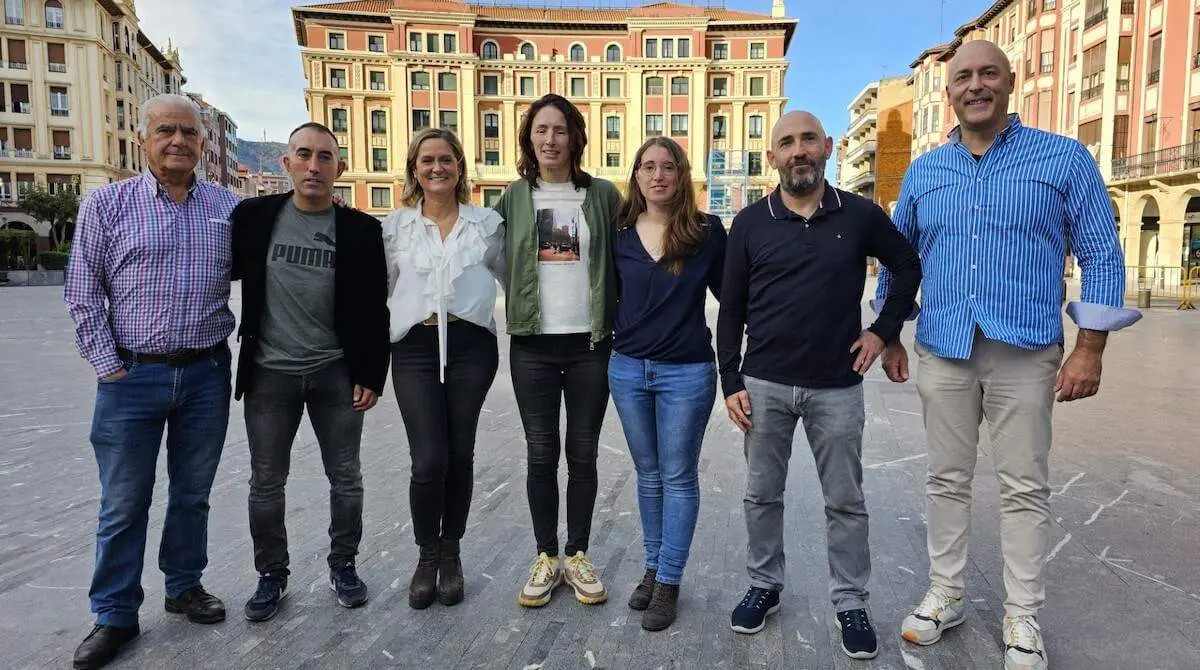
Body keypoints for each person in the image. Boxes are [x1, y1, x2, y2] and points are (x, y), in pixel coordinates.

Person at [877, 40, 1139, 670]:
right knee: (946, 479)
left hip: (1025, 352)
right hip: (943, 346)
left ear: (1010, 81)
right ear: (949, 92)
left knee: (1024, 485)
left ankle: (1022, 614)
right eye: (962, 76)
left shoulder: (1063, 158)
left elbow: (1101, 252)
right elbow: (899, 256)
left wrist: (1090, 348)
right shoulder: (926, 172)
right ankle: (947, 592)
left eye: (987, 73)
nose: (975, 85)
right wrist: (889, 331)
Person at [716, 111, 922, 658]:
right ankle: (764, 586)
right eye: (786, 142)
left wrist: (883, 331)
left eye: (808, 139)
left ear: (828, 147)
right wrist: (729, 378)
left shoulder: (859, 215)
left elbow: (907, 265)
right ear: (772, 158)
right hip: (763, 384)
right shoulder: (749, 223)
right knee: (761, 494)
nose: (798, 150)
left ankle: (851, 600)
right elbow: (731, 306)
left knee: (846, 500)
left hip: (837, 385)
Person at [64, 93, 239, 670]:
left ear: (203, 143)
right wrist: (108, 364)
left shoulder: (224, 206)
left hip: (207, 370)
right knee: (123, 502)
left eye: (190, 132)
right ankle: (114, 613)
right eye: (167, 130)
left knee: (192, 493)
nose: (180, 141)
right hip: (132, 376)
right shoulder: (108, 204)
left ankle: (184, 585)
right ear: (143, 138)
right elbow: (82, 290)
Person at [230, 122, 389, 623]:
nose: (314, 166)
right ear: (287, 164)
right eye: (304, 155)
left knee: (346, 477)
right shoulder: (253, 217)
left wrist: (371, 373)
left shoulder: (362, 230)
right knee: (266, 482)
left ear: (339, 169)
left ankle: (343, 564)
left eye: (325, 157)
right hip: (269, 373)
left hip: (335, 372)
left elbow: (373, 310)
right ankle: (271, 574)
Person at [493, 93, 622, 608]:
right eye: (541, 130)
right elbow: (494, 259)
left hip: (591, 345)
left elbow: (627, 255)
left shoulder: (604, 196)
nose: (550, 140)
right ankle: (546, 555)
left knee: (584, 454)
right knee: (541, 452)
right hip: (532, 347)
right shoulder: (512, 197)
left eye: (560, 130)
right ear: (529, 138)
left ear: (575, 138)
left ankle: (578, 553)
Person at [381, 128, 504, 609]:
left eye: (446, 160)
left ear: (460, 167)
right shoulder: (395, 228)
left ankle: (451, 554)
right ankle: (426, 555)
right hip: (414, 346)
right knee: (428, 458)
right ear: (415, 168)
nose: (437, 168)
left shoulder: (487, 224)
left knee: (460, 451)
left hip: (472, 346)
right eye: (427, 160)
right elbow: (381, 293)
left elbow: (516, 280)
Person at [608, 137, 725, 631]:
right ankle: (653, 567)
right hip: (628, 370)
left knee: (678, 477)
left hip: (686, 372)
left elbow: (735, 297)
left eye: (668, 167)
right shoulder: (619, 233)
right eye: (648, 167)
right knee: (648, 475)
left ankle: (670, 582)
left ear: (681, 176)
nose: (658, 175)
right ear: (636, 177)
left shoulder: (705, 231)